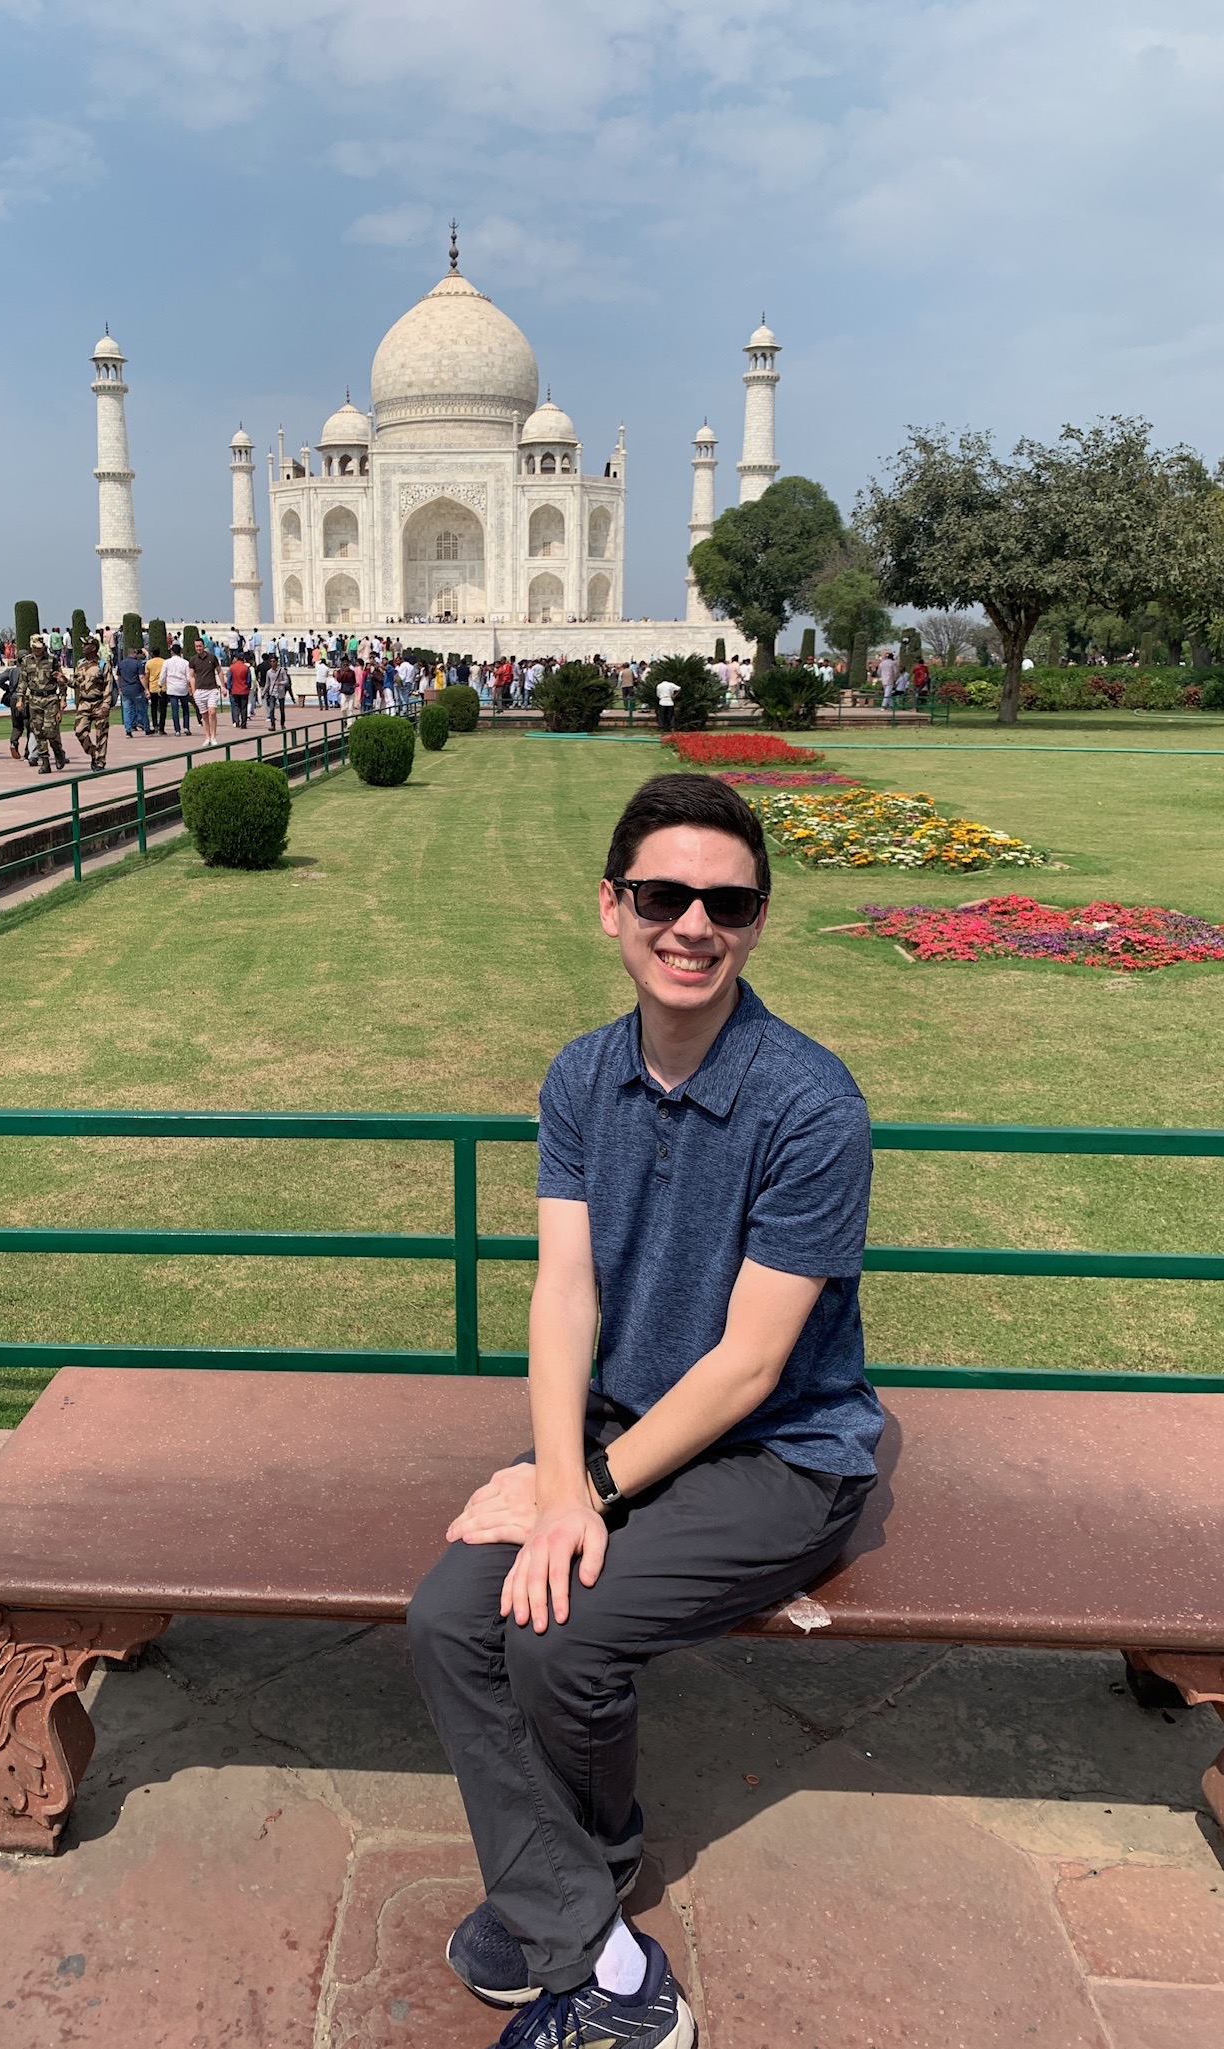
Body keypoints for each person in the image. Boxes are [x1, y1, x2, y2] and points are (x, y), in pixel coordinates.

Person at [407, 773, 878, 2045]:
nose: (694, 926)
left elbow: (749, 1366)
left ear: (757, 923)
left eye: (729, 903)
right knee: (448, 1617)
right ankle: (590, 1926)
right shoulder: (582, 1077)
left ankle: (597, 1954)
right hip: (623, 1434)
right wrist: (561, 1479)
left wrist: (583, 1497)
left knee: (561, 1638)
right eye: (663, 895)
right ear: (611, 907)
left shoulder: (809, 1105)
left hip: (783, 1453)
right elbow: (563, 1293)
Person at [20, 633, 67, 774]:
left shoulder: (52, 660)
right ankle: (45, 762)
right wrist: (20, 698)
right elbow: (23, 681)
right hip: (34, 700)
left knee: (50, 730)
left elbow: (60, 680)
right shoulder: (26, 661)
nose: (38, 650)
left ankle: (58, 752)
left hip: (50, 699)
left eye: (40, 648)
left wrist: (63, 698)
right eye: (35, 647)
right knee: (38, 731)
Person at [72, 636, 115, 768]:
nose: (83, 647)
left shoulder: (103, 665)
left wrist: (106, 704)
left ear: (93, 648)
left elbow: (108, 685)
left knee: (101, 733)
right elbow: (76, 683)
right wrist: (65, 680)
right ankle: (93, 752)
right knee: (79, 731)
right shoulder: (80, 664)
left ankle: (100, 761)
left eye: (86, 645)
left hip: (99, 703)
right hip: (84, 703)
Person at [192, 639, 223, 744]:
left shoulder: (212, 657)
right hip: (199, 690)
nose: (198, 648)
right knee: (204, 715)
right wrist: (194, 691)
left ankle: (213, 736)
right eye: (196, 646)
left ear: (203, 646)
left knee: (212, 712)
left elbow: (219, 671)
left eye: (200, 646)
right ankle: (207, 737)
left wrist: (223, 686)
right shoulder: (193, 660)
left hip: (211, 689)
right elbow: (191, 676)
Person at [115, 642, 149, 736]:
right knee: (142, 709)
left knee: (127, 710)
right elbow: (141, 677)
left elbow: (119, 677)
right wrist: (146, 689)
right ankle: (146, 728)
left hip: (125, 689)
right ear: (134, 654)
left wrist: (120, 687)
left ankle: (128, 730)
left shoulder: (121, 664)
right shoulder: (137, 663)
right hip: (136, 689)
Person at [162, 643, 195, 735]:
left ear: (171, 652)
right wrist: (190, 686)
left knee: (175, 709)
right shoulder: (185, 662)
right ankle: (186, 727)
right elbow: (188, 677)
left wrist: (160, 684)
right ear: (180, 652)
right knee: (185, 708)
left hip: (172, 688)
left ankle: (177, 730)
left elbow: (163, 675)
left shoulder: (167, 662)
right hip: (182, 687)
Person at [147, 640, 169, 735]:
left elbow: (147, 676)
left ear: (152, 653)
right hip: (163, 687)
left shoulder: (149, 663)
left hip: (152, 687)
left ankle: (155, 725)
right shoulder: (164, 662)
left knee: (153, 707)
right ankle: (161, 728)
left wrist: (146, 688)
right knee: (163, 708)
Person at [228, 652, 252, 729]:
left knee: (236, 706)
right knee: (243, 707)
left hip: (235, 690)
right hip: (244, 690)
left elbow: (229, 679)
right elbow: (249, 680)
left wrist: (229, 688)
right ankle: (243, 723)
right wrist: (248, 687)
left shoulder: (232, 667)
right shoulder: (246, 668)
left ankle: (236, 720)